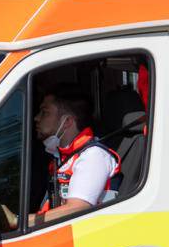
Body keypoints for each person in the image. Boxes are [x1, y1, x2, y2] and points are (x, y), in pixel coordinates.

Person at [30, 87, 119, 227]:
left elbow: (77, 207)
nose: (36, 118)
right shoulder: (61, 157)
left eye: (45, 112)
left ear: (67, 122)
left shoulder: (93, 156)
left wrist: (20, 222)